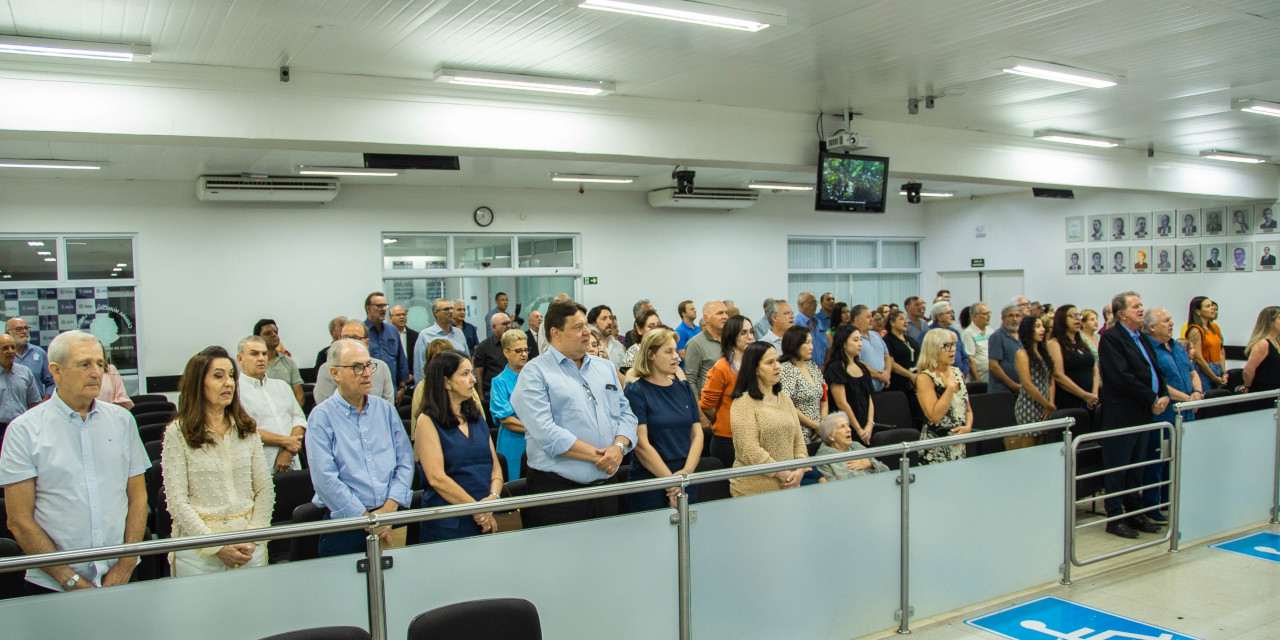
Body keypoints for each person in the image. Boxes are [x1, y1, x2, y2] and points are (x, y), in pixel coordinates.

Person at [0, 330, 149, 594]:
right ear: (56, 372)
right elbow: (19, 520)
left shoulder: (122, 421)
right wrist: (69, 580)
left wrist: (125, 566)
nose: (96, 372)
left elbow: (137, 498)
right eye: (85, 364)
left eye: (100, 364)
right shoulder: (24, 430)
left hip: (120, 577)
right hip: (53, 585)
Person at [509, 299, 638, 527]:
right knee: (559, 560)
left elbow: (627, 415)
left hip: (605, 488)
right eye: (578, 327)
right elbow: (546, 432)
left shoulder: (604, 367)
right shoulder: (535, 373)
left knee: (607, 556)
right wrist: (602, 456)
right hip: (559, 492)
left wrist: (618, 449)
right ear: (555, 333)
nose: (587, 332)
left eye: (586, 326)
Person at [162, 346, 274, 576]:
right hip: (198, 553)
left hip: (248, 547)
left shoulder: (247, 429)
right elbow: (177, 502)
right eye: (218, 376)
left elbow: (265, 489)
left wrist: (252, 537)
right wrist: (217, 546)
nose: (229, 383)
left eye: (232, 376)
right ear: (198, 383)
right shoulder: (177, 432)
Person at [306, 338, 414, 556]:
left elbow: (405, 460)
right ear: (335, 373)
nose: (367, 373)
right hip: (346, 525)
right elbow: (325, 479)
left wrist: (390, 507)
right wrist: (367, 518)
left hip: (391, 518)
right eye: (357, 367)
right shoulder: (321, 417)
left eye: (368, 365)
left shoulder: (385, 409)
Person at [1097, 292, 1168, 539]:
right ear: (1121, 313)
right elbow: (1121, 377)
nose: (1141, 309)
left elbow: (1154, 368)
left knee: (1137, 466)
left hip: (1143, 412)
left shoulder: (1141, 337)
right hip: (1121, 413)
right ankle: (1115, 518)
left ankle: (1135, 512)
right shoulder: (1111, 338)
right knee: (1118, 467)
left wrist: (1165, 393)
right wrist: (1152, 397)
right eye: (1136, 306)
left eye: (1141, 305)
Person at [413, 350, 504, 542]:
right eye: (465, 374)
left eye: (471, 373)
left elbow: (495, 466)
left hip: (484, 514)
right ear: (446, 382)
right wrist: (477, 510)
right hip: (447, 523)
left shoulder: (476, 415)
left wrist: (493, 497)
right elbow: (437, 478)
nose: (473, 379)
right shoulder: (427, 420)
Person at [624, 328, 703, 512]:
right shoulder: (636, 391)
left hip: (685, 475)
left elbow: (697, 433)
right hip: (651, 478)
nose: (676, 356)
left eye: (675, 350)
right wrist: (671, 482)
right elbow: (641, 444)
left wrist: (685, 474)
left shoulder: (683, 388)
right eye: (668, 352)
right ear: (651, 354)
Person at [728, 342, 809, 496]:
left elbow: (799, 441)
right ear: (755, 369)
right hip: (753, 490)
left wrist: (799, 469)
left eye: (777, 360)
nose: (778, 366)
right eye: (770, 362)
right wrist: (781, 473)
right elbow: (748, 449)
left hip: (789, 486)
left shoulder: (784, 397)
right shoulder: (743, 402)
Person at [1144, 309, 1202, 521]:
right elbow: (1158, 383)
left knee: (1179, 460)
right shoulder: (1150, 349)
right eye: (1166, 320)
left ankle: (1172, 501)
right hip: (1165, 414)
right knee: (1158, 461)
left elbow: (1192, 371)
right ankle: (1152, 506)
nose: (1171, 323)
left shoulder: (1177, 346)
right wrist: (1186, 399)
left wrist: (1197, 392)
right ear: (1152, 327)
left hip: (1186, 413)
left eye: (1170, 319)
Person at [237, 336, 307, 472]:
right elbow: (245, 430)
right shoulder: (235, 392)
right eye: (254, 354)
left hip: (292, 461)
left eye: (264, 353)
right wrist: (287, 442)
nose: (261, 358)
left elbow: (299, 418)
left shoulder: (282, 386)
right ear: (240, 359)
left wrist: (288, 450)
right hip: (259, 467)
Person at [700, 315, 753, 469]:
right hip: (728, 437)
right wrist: (724, 418)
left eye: (751, 332)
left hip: (752, 434)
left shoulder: (755, 363)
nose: (749, 337)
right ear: (731, 337)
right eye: (743, 333)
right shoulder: (722, 367)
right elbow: (707, 405)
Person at [914, 329, 973, 464]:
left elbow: (968, 409)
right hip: (936, 446)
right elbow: (935, 416)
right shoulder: (925, 378)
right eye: (946, 346)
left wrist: (968, 427)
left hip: (958, 443)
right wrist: (950, 388)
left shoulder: (958, 373)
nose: (952, 350)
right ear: (933, 349)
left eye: (954, 345)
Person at [314, 321, 395, 405]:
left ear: (366, 343)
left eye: (355, 338)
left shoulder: (381, 367)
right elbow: (326, 407)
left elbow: (388, 407)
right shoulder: (327, 369)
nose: (349, 342)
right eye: (345, 338)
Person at [824, 325, 877, 445]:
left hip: (866, 427)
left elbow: (869, 397)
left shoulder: (862, 367)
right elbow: (841, 403)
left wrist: (870, 424)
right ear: (843, 343)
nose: (860, 344)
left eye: (860, 340)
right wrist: (858, 429)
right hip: (845, 427)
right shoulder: (835, 368)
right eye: (855, 340)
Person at [1009, 317, 1056, 450]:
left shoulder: (1044, 353)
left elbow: (1050, 380)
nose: (1042, 330)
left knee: (1042, 445)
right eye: (1037, 326)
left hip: (1045, 406)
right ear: (1028, 330)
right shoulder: (1022, 354)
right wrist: (1047, 404)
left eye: (1042, 326)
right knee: (1029, 447)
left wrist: (1050, 404)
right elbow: (1028, 385)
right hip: (1029, 405)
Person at [490, 329, 531, 480]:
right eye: (518, 351)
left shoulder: (534, 378)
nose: (524, 355)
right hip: (513, 443)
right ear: (506, 353)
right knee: (514, 486)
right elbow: (506, 419)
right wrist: (537, 429)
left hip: (536, 442)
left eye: (526, 350)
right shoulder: (499, 382)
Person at [1047, 305, 1099, 415]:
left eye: (1078, 315)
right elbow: (1058, 375)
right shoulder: (1055, 343)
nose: (1077, 318)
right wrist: (1084, 395)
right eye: (1072, 315)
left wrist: (1094, 394)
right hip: (1070, 399)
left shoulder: (1081, 343)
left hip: (1091, 400)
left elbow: (1094, 369)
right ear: (1061, 319)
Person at [779, 326, 827, 446]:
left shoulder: (812, 365)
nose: (811, 347)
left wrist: (823, 424)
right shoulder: (786, 369)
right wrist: (815, 425)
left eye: (811, 342)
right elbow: (786, 404)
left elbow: (824, 396)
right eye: (807, 343)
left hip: (820, 432)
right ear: (795, 344)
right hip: (799, 434)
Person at [812, 412, 889, 481]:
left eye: (848, 425)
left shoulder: (857, 446)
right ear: (831, 436)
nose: (849, 429)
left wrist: (870, 465)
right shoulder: (823, 459)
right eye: (842, 427)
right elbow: (832, 489)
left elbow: (887, 471)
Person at [364, 292, 411, 395]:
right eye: (379, 306)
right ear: (368, 309)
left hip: (391, 390)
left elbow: (401, 360)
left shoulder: (392, 331)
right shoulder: (362, 331)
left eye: (385, 306)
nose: (384, 309)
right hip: (368, 390)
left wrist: (402, 387)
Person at [252, 319, 304, 408]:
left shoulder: (288, 362)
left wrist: (295, 416)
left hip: (287, 415)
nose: (274, 335)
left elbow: (299, 395)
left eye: (275, 332)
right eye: (268, 333)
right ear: (258, 339)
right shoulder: (250, 363)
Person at [415, 299, 469, 379]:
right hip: (436, 384)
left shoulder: (459, 333)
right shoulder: (425, 335)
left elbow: (467, 360)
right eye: (446, 309)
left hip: (459, 384)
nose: (450, 311)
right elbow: (420, 367)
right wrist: (423, 388)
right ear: (436, 313)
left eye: (451, 308)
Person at [684, 300, 728, 398]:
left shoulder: (732, 340)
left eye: (726, 313)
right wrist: (700, 412)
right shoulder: (695, 343)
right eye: (720, 313)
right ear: (706, 318)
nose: (725, 316)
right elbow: (690, 380)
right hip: (709, 406)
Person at [0, 334, 42, 431]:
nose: (10, 351)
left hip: (22, 427)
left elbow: (32, 403)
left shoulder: (25, 372)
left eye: (13, 347)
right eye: (5, 348)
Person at [1183, 296, 1226, 390]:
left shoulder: (1214, 327)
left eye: (1211, 305)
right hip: (1204, 370)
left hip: (1217, 367)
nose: (1212, 308)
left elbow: (1221, 351)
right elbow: (1198, 357)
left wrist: (1224, 372)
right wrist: (1214, 377)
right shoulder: (1195, 330)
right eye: (1208, 306)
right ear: (1198, 311)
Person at [5, 317, 55, 399]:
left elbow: (52, 383)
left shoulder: (39, 353)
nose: (24, 331)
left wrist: (44, 402)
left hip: (36, 408)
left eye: (26, 328)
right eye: (18, 329)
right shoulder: (3, 355)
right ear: (8, 333)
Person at [471, 312, 512, 410]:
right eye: (504, 324)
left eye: (509, 323)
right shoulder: (484, 346)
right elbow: (478, 373)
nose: (508, 326)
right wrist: (481, 397)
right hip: (492, 393)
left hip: (513, 390)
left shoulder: (515, 344)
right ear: (494, 327)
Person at [987, 303, 1025, 395]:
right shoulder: (997, 336)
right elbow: (993, 366)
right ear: (1003, 319)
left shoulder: (1023, 336)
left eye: (1017, 316)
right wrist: (1013, 385)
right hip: (1002, 392)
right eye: (1010, 316)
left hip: (1021, 391)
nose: (1015, 319)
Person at [882, 310, 921, 401]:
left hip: (916, 382)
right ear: (892, 322)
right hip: (899, 383)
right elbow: (891, 363)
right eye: (901, 319)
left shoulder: (910, 339)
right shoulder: (887, 340)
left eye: (906, 319)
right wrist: (910, 375)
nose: (905, 322)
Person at [1241, 306, 1280, 394]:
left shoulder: (1276, 342)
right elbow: (1248, 371)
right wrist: (1247, 386)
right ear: (1270, 322)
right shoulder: (1263, 343)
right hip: (1264, 392)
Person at [928, 301, 970, 378]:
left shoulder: (954, 331)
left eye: (952, 312)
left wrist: (962, 372)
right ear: (939, 317)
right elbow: (928, 358)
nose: (952, 315)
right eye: (948, 313)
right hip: (939, 377)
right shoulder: (929, 333)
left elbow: (964, 355)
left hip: (959, 375)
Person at [793, 292, 830, 367]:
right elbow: (795, 351)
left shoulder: (818, 322)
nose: (815, 305)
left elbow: (826, 347)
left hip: (823, 369)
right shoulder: (796, 323)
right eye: (811, 302)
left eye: (816, 302)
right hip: (805, 370)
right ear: (802, 305)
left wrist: (825, 366)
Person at [961, 302, 994, 383]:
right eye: (985, 314)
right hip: (980, 378)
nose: (989, 316)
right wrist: (977, 379)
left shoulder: (991, 331)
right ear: (974, 316)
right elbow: (970, 359)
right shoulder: (968, 333)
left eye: (989, 313)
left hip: (992, 375)